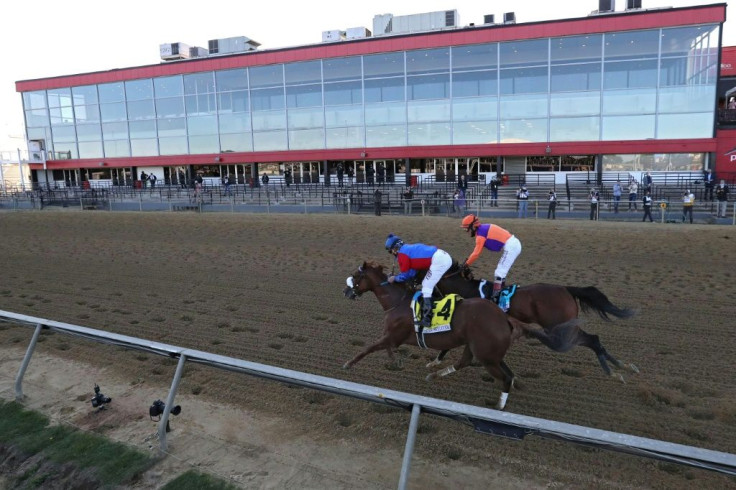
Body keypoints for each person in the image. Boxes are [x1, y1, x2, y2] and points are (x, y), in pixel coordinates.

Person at [384, 234, 453, 329]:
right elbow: (412, 272)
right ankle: (437, 299)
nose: (391, 253)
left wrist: (394, 278)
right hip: (441, 256)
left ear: (396, 248)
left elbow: (406, 275)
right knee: (427, 283)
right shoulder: (406, 249)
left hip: (439, 261)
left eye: (391, 250)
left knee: (426, 286)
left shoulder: (402, 255)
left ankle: (427, 318)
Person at [459, 214, 522, 304]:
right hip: (512, 244)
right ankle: (500, 292)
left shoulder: (481, 235)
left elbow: (476, 254)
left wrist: (466, 264)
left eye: (466, 228)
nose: (466, 231)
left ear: (473, 226)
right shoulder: (483, 229)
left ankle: (496, 297)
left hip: (512, 246)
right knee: (501, 272)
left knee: (499, 272)